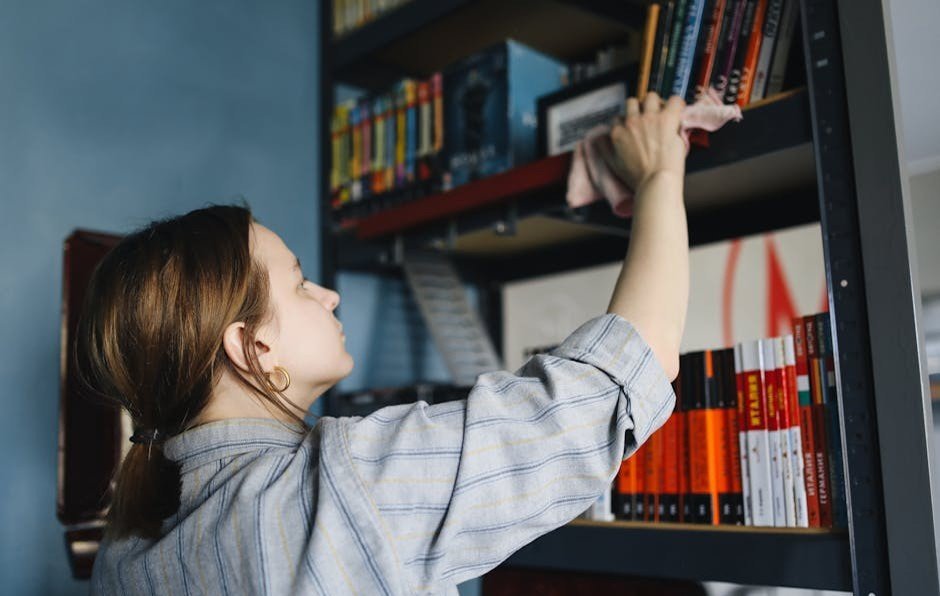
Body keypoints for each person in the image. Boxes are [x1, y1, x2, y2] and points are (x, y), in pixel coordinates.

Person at [79, 92, 689, 595]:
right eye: (298, 283)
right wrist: (660, 174)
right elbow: (611, 387)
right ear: (253, 349)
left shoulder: (123, 550)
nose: (329, 296)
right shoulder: (347, 488)